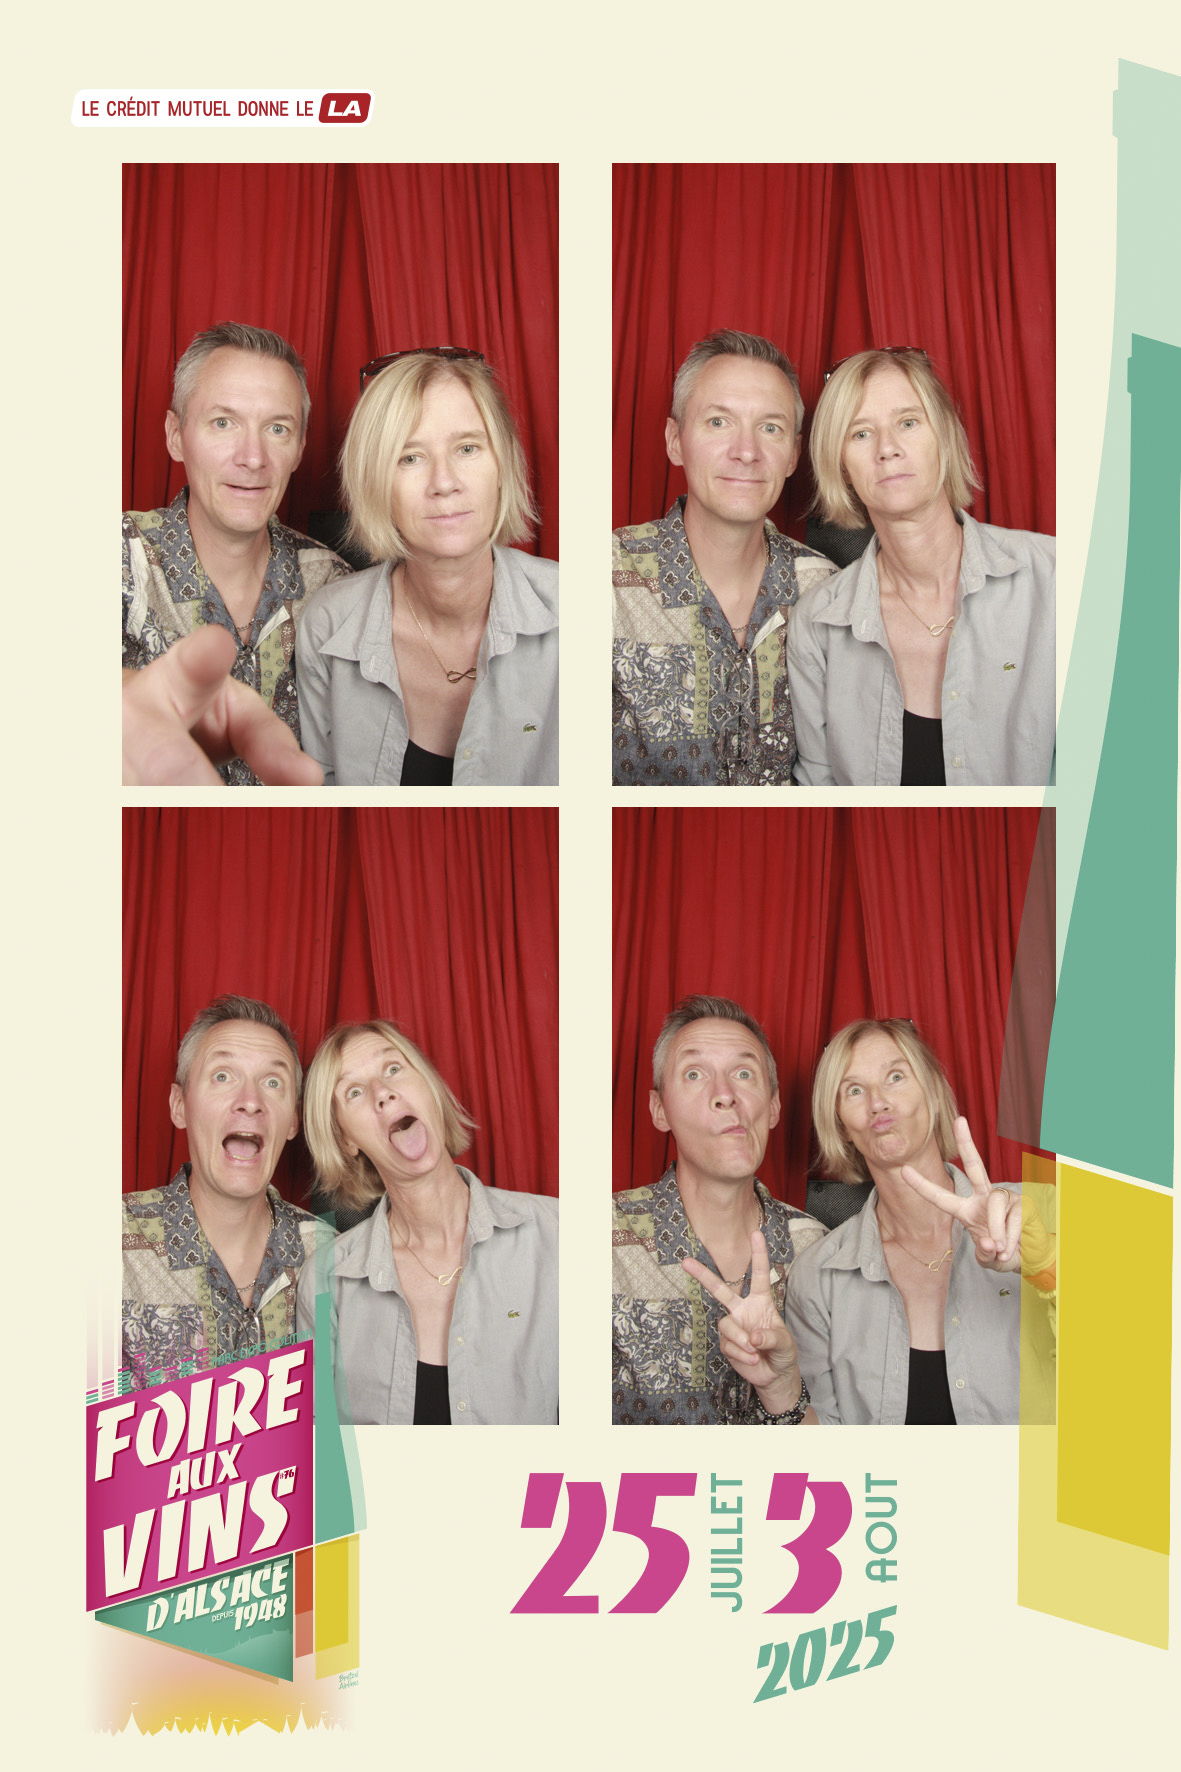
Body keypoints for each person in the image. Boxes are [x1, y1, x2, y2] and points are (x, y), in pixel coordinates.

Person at [786, 347, 1055, 786]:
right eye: (860, 433)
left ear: (943, 436)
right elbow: (821, 794)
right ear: (843, 467)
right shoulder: (817, 625)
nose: (887, 449)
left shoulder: (1056, 577)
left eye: (908, 423)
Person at [296, 349, 558, 786]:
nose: (444, 482)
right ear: (375, 482)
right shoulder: (327, 626)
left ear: (503, 465)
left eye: (467, 448)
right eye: (410, 457)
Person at [783, 1018, 1049, 1424]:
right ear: (841, 1125)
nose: (877, 1102)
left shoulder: (1038, 1211)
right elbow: (823, 1449)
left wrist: (1046, 1268)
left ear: (934, 1094)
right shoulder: (817, 1277)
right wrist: (776, 1388)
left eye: (895, 1077)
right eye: (854, 1090)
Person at [295, 1020, 558, 1425]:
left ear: (429, 1087)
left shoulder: (557, 1233)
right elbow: (325, 1450)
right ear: (346, 1140)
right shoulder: (325, 1283)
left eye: (393, 1068)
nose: (383, 1093)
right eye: (354, 1092)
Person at [122, 322, 350, 785]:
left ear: (299, 449)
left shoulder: (336, 584)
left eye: (277, 428)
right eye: (223, 423)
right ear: (175, 435)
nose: (252, 457)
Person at [612, 330, 836, 785]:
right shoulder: (603, 579)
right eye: (718, 422)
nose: (747, 452)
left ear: (793, 455)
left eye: (770, 428)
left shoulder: (829, 590)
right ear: (675, 441)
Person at [612, 995, 826, 1424]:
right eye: (694, 1074)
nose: (725, 1095)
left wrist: (781, 1391)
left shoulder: (818, 1250)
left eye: (743, 1074)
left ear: (773, 1106)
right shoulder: (594, 1240)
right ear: (659, 1109)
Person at [122, 995, 321, 1391]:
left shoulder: (333, 1256)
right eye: (223, 1076)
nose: (250, 1102)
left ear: (293, 1121)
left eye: (273, 1082)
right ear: (179, 1106)